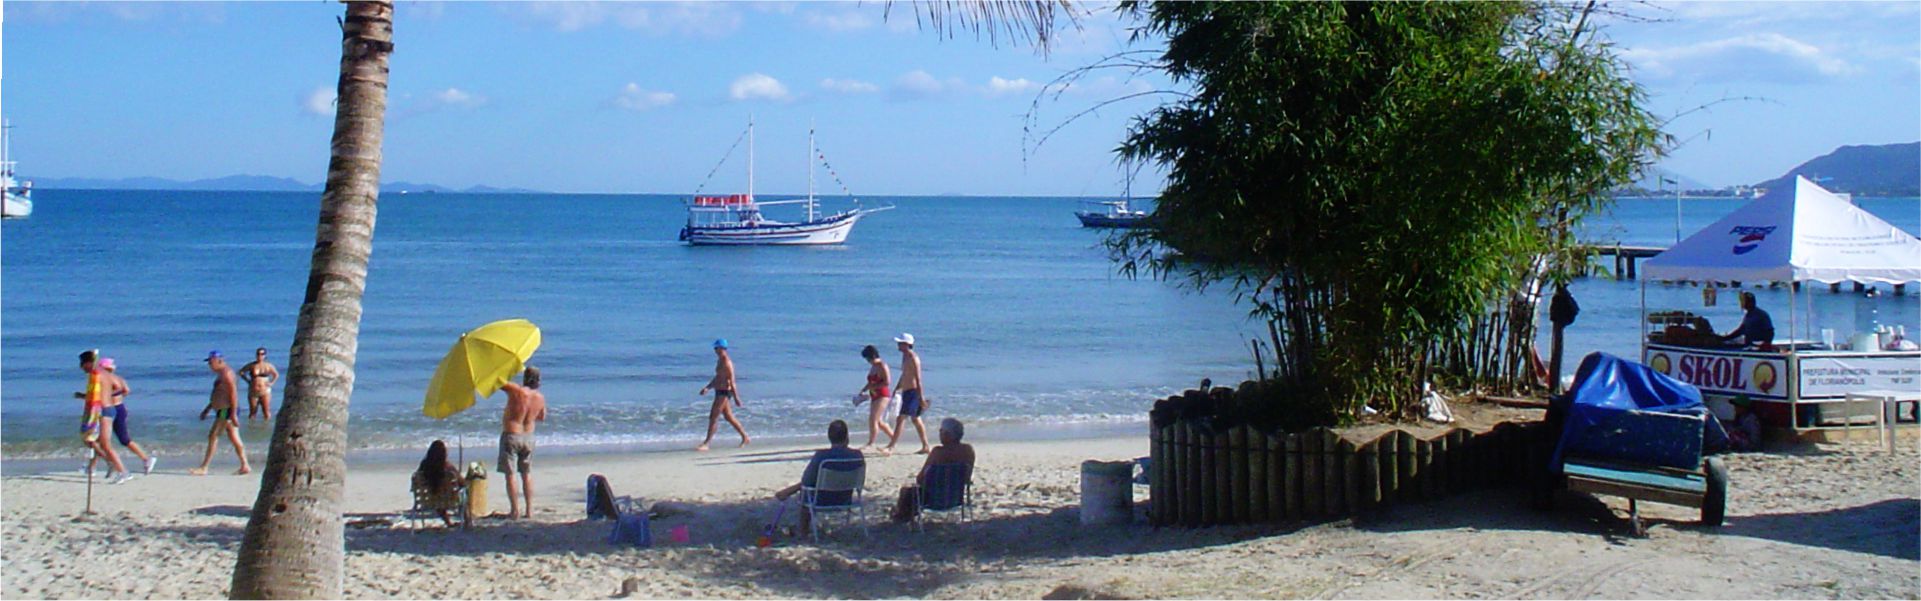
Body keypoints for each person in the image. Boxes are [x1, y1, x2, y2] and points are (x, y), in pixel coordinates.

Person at [774, 419, 865, 534]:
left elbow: (807, 481)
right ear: (847, 437)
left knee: (806, 493)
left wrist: (789, 491)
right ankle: (787, 494)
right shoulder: (857, 456)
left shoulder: (822, 456)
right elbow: (860, 483)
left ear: (829, 437)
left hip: (821, 500)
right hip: (846, 498)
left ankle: (803, 530)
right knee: (809, 489)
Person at [892, 418, 977, 522]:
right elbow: (967, 477)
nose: (939, 434)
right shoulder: (968, 450)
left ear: (948, 434)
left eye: (941, 431)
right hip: (955, 497)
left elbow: (920, 479)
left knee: (907, 492)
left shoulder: (938, 452)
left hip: (933, 498)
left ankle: (901, 517)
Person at [191, 351, 252, 476]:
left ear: (219, 361)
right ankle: (245, 465)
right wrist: (207, 409)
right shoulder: (221, 374)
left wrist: (234, 414)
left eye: (211, 362)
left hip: (227, 410)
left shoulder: (227, 374)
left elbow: (233, 394)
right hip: (223, 409)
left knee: (213, 436)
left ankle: (204, 467)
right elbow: (219, 394)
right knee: (234, 437)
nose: (209, 365)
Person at [498, 366, 546, 519]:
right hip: (529, 436)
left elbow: (497, 381)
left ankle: (515, 510)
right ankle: (529, 510)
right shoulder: (540, 397)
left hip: (512, 434)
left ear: (525, 377)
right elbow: (541, 417)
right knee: (526, 473)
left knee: (510, 474)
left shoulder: (516, 390)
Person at [76, 349, 130, 483]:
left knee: (102, 443)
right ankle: (112, 465)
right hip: (107, 408)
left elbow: (96, 396)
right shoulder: (104, 374)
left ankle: (121, 470)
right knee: (94, 441)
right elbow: (117, 386)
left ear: (88, 363)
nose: (81, 367)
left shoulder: (96, 375)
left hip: (102, 410)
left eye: (82, 364)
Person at [100, 358, 157, 475]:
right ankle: (102, 464)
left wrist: (110, 395)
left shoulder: (109, 380)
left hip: (114, 408)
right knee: (102, 439)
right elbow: (126, 391)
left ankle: (145, 458)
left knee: (123, 439)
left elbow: (120, 391)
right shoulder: (118, 378)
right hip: (119, 407)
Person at [695, 339, 750, 451]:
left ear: (722, 348)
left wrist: (736, 398)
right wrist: (708, 387)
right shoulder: (720, 361)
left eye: (717, 348)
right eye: (715, 348)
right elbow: (718, 377)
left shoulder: (727, 363)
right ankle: (745, 437)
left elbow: (732, 381)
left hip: (724, 393)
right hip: (718, 391)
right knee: (728, 417)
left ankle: (707, 443)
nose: (715, 350)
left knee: (713, 416)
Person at [884, 333, 931, 454]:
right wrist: (897, 387)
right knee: (916, 419)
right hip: (906, 391)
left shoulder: (913, 358)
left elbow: (918, 379)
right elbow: (904, 374)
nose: (898, 345)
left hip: (913, 392)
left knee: (901, 418)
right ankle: (926, 446)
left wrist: (921, 397)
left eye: (900, 343)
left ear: (907, 344)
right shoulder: (904, 357)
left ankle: (891, 446)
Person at [413, 439, 465, 527]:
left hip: (429, 500)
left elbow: (416, 482)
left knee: (438, 498)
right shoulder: (448, 467)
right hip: (449, 500)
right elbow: (462, 483)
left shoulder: (424, 467)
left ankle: (448, 522)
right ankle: (467, 521)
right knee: (464, 493)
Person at [855, 345, 896, 451]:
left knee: (873, 419)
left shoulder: (882, 365)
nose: (868, 361)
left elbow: (887, 382)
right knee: (879, 421)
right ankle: (893, 438)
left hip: (882, 395)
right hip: (874, 395)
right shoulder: (873, 366)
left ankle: (871, 442)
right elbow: (870, 382)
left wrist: (873, 387)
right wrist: (863, 390)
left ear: (872, 356)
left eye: (868, 359)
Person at [239, 347, 280, 421]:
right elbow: (241, 372)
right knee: (252, 412)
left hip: (265, 391)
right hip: (253, 391)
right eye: (258, 354)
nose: (260, 356)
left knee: (266, 411)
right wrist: (247, 380)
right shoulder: (252, 365)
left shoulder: (268, 366)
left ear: (265, 355)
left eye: (262, 354)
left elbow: (276, 374)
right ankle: (252, 428)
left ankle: (266, 427)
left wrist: (272, 383)